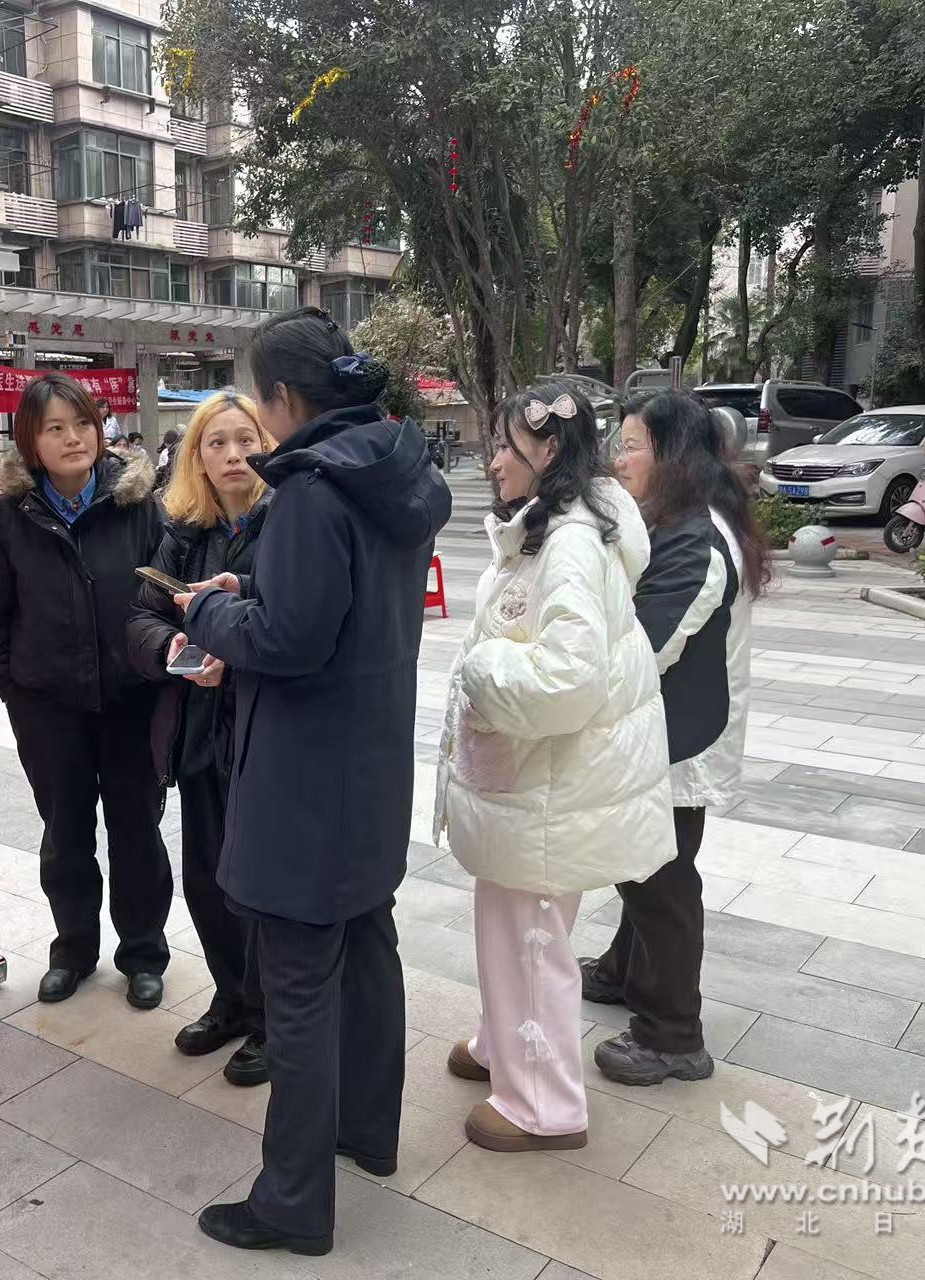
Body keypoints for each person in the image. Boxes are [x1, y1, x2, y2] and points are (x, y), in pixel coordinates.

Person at [179, 307, 450, 1256]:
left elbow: (291, 643)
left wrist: (206, 616)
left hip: (301, 782)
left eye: (258, 400)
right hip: (368, 768)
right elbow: (342, 606)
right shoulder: (393, 474)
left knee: (297, 988)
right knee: (367, 951)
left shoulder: (308, 491)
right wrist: (251, 591)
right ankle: (366, 1132)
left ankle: (291, 1202)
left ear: (285, 398)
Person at [431, 381, 674, 1154]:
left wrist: (480, 667)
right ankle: (504, 1047)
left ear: (546, 449)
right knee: (515, 929)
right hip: (534, 779)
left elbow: (568, 679)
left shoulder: (569, 540)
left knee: (530, 941)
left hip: (545, 783)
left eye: (503, 445)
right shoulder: (558, 525)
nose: (492, 460)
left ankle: (543, 1105)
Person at [0, 373, 173, 1009]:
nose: (73, 438)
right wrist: (16, 688)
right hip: (49, 710)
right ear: (31, 441)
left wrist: (158, 674)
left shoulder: (138, 506)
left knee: (137, 830)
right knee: (66, 833)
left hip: (131, 703)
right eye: (55, 428)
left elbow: (168, 598)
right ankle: (73, 950)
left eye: (83, 423)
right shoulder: (8, 519)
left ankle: (143, 953)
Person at [579, 389, 766, 1085]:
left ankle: (672, 1033)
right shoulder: (685, 519)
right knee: (646, 862)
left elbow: (648, 646)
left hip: (680, 735)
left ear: (672, 455)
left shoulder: (695, 537)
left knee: (660, 878)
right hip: (671, 724)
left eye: (630, 446)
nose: (617, 459)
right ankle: (623, 970)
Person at [128, 393, 275, 1085]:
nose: (233, 455)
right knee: (207, 878)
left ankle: (274, 1018)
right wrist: (178, 650)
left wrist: (234, 646)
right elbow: (141, 619)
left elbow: (294, 624)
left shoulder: (288, 524)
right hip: (197, 732)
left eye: (246, 439)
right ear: (196, 457)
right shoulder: (184, 531)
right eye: (216, 443)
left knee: (260, 885)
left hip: (266, 735)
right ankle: (232, 999)